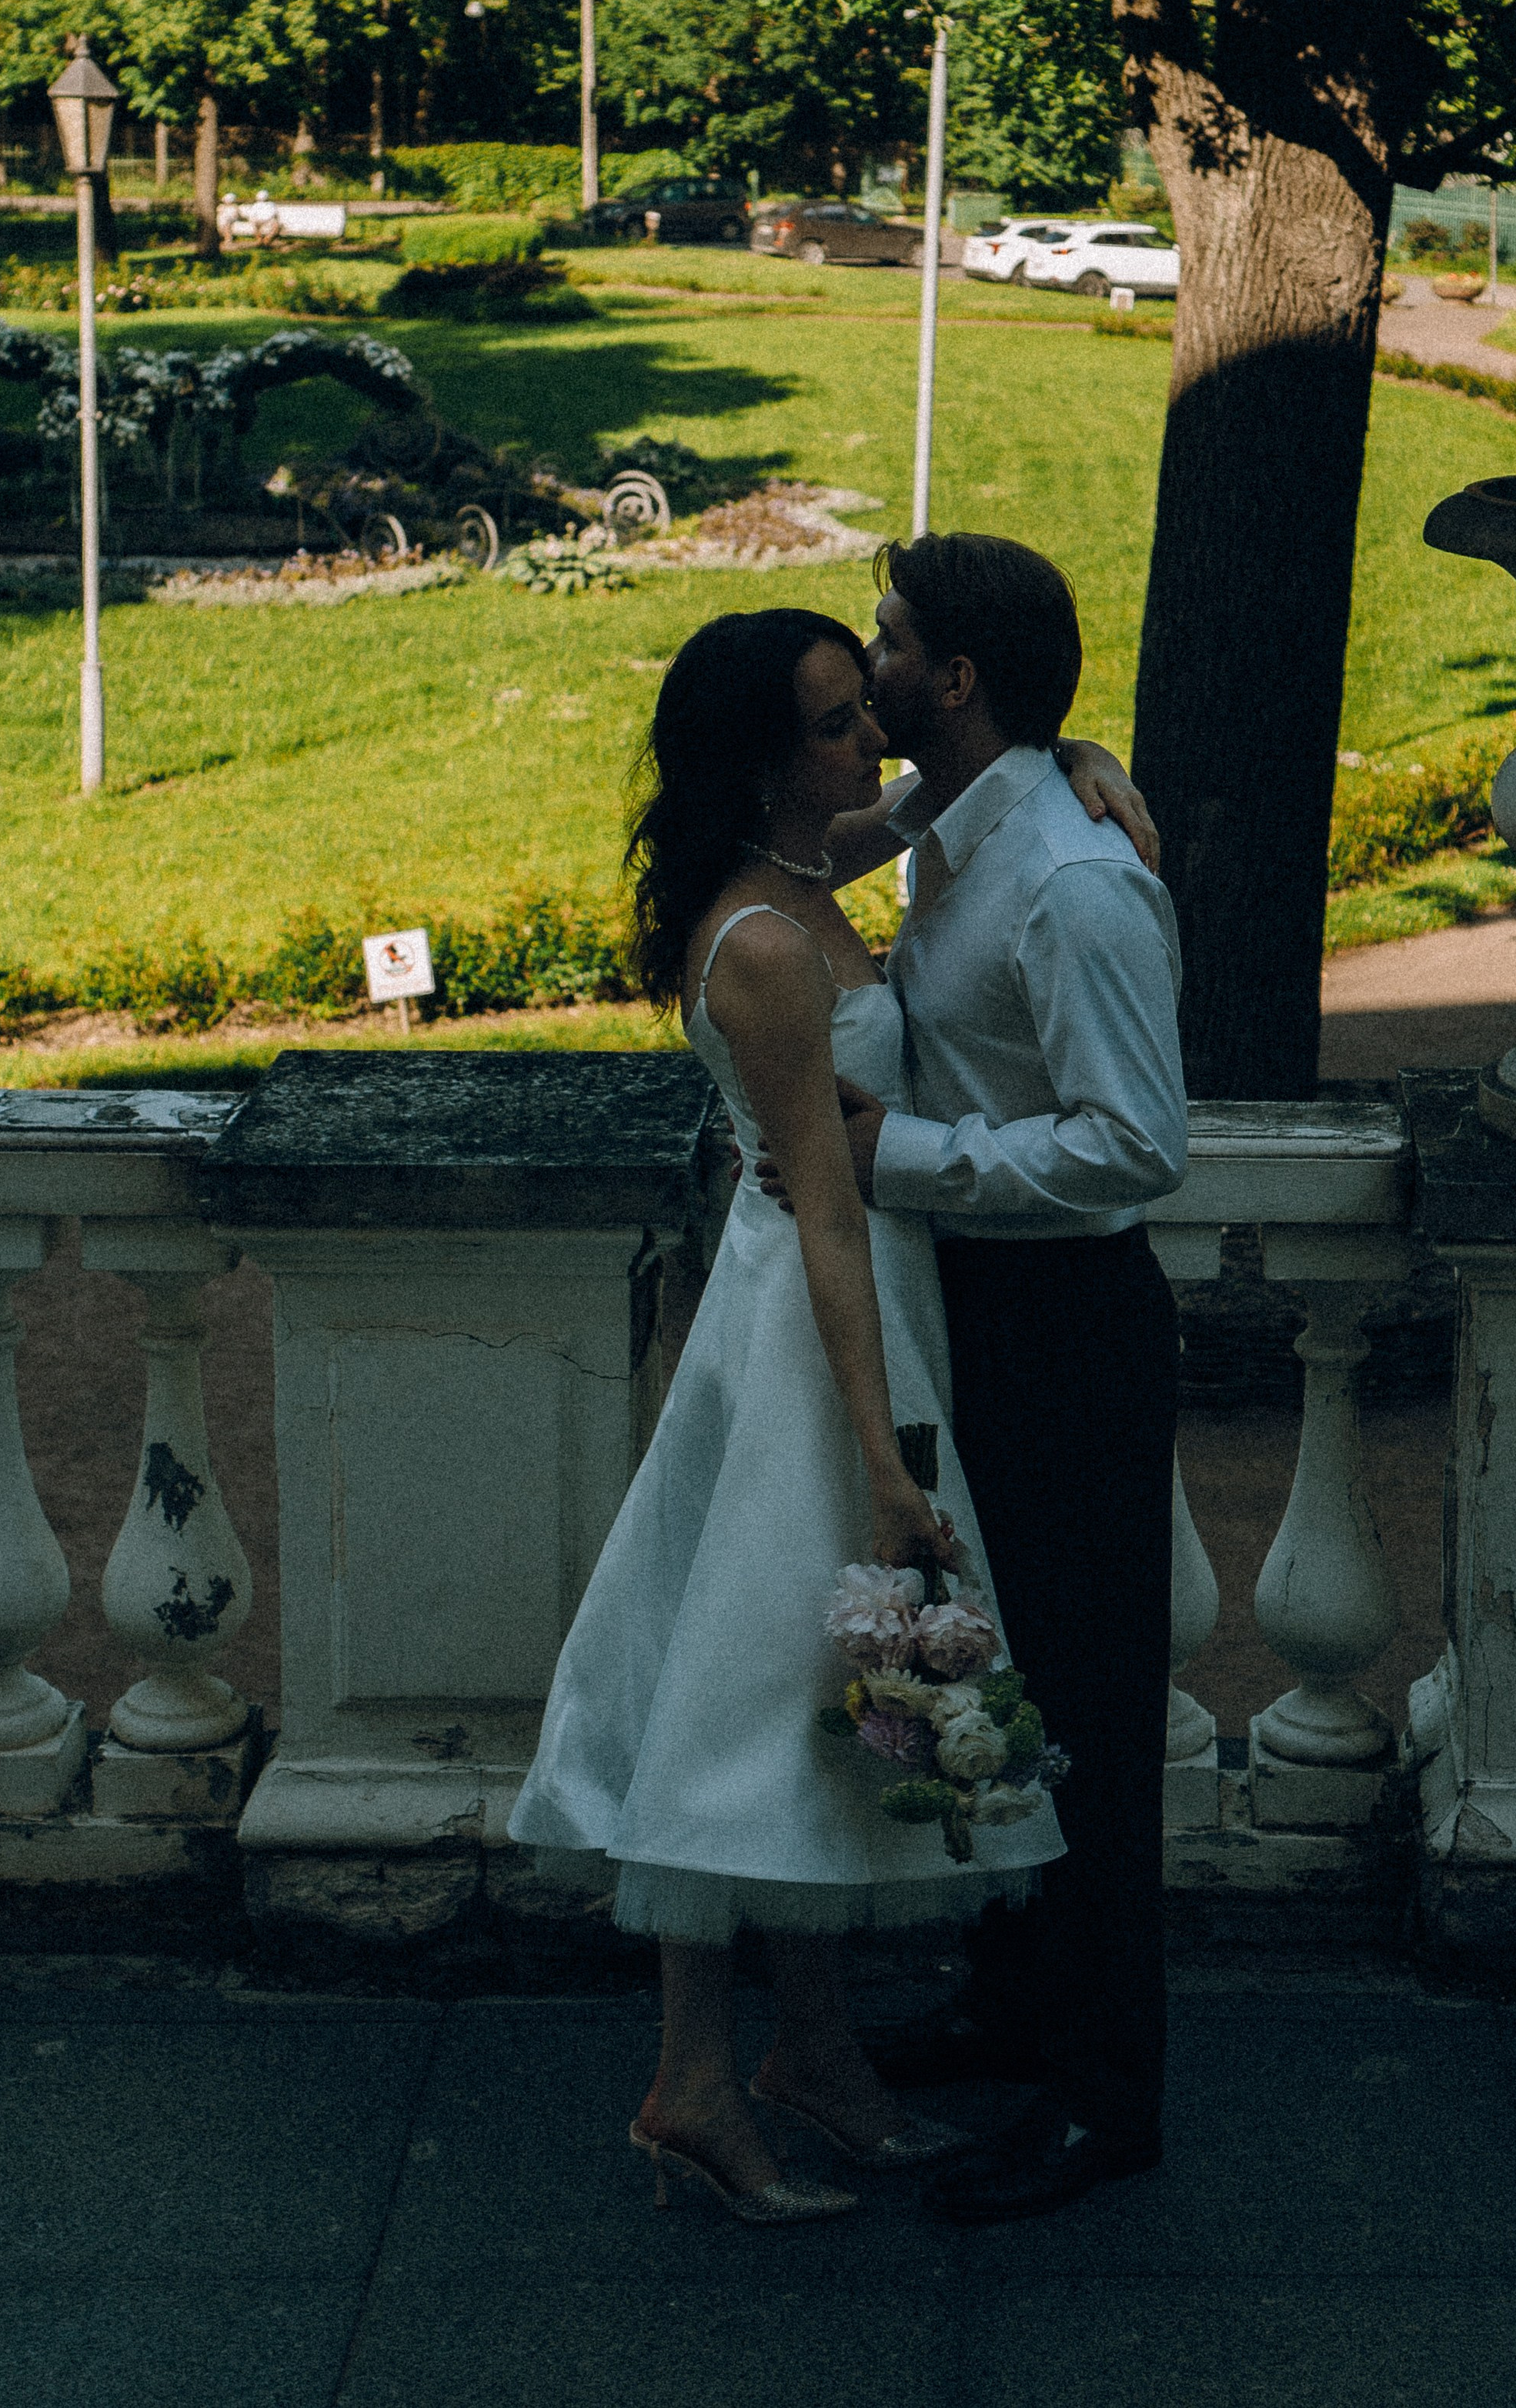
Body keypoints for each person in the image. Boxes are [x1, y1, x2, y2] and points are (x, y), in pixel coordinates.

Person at [507, 606, 1070, 2226]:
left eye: (862, 709)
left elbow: (946, 798)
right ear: (763, 761)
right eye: (836, 724)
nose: (874, 739)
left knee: (823, 1692)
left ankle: (812, 2055)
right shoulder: (763, 943)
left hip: (856, 1310)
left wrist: (1081, 760)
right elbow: (825, 1209)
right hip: (813, 1343)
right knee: (748, 1699)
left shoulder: (812, 866)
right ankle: (691, 2083)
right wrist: (882, 1459)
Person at [803, 530, 1189, 2227]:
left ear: (953, 679)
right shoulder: (949, 821)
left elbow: (1136, 1146)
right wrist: (1070, 743)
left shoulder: (1073, 882)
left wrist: (894, 1157)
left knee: (1086, 1711)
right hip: (966, 1310)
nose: (866, 658)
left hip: (1064, 1327)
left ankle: (1105, 2097)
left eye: (887, 640)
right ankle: (1013, 2003)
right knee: (985, 1675)